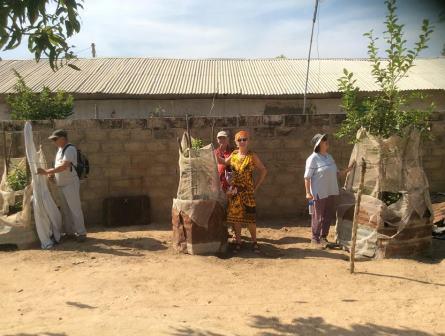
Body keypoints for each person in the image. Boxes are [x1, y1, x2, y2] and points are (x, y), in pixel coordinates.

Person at [217, 130, 267, 253]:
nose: (242, 142)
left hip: (247, 193)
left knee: (250, 220)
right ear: (235, 142)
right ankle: (238, 242)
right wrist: (212, 154)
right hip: (235, 192)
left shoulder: (252, 156)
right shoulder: (233, 154)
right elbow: (223, 162)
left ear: (248, 141)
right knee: (236, 219)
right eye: (239, 140)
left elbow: (263, 170)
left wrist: (256, 186)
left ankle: (254, 242)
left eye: (245, 139)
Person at [304, 134, 354, 249]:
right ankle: (315, 238)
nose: (326, 142)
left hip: (331, 191)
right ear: (318, 144)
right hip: (319, 192)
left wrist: (349, 169)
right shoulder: (312, 159)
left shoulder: (329, 157)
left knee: (327, 215)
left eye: (326, 140)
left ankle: (323, 237)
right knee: (318, 216)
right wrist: (308, 192)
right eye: (323, 140)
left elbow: (337, 173)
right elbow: (307, 178)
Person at [37, 129, 87, 242]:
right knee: (66, 210)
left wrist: (47, 172)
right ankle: (70, 232)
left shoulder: (70, 149)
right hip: (62, 184)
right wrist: (53, 175)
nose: (54, 141)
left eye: (55, 139)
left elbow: (64, 166)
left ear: (63, 139)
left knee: (75, 209)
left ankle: (81, 233)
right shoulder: (60, 150)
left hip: (70, 183)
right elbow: (59, 167)